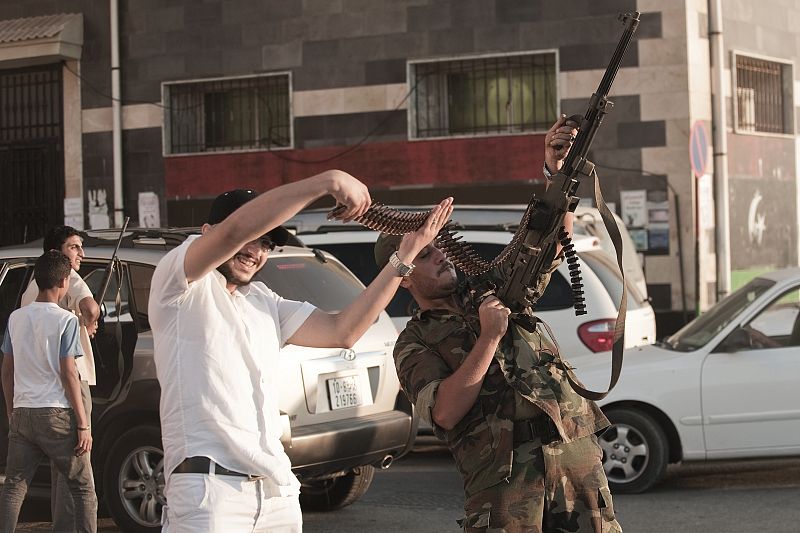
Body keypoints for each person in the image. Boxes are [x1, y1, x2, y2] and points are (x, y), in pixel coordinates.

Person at [148, 170, 453, 532]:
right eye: (252, 236)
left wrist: (404, 257)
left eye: (266, 242)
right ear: (206, 234)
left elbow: (345, 330)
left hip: (276, 492)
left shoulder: (263, 302)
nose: (256, 248)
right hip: (209, 494)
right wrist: (329, 181)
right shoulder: (179, 285)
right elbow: (234, 232)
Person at [374, 115, 622, 532]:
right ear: (402, 278)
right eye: (425, 254)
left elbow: (546, 251)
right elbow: (446, 412)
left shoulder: (491, 289)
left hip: (574, 464)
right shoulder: (415, 343)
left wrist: (557, 173)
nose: (441, 256)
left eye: (440, 247)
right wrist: (488, 338)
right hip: (507, 488)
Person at [1, 251, 97, 533]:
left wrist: (11, 412)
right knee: (82, 490)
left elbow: (7, 372)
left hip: (23, 412)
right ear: (64, 282)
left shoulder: (15, 318)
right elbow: (69, 373)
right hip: (57, 414)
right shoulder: (66, 320)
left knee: (13, 489)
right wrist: (83, 424)